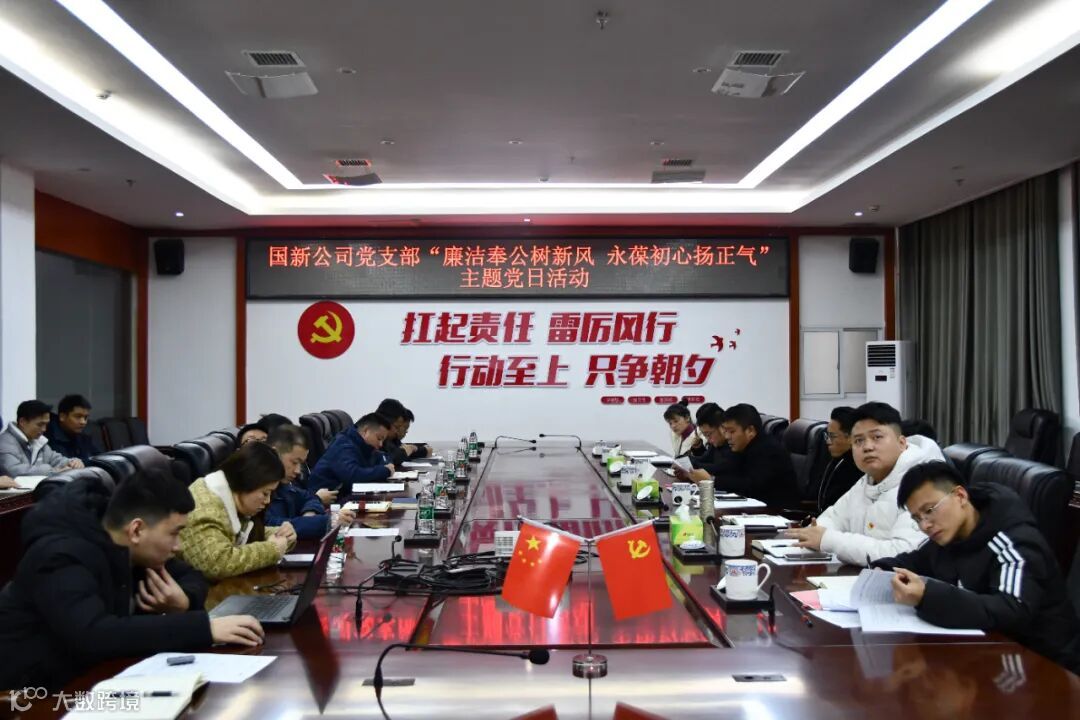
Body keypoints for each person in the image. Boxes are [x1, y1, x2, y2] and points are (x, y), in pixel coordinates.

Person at [0, 469, 265, 691]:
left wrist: (184, 600)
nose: (178, 546)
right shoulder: (60, 555)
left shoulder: (129, 544)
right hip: (35, 693)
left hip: (99, 676)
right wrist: (204, 628)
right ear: (137, 529)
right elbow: (94, 634)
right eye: (174, 534)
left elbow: (191, 574)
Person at [875, 462, 1080, 674]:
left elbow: (1012, 610)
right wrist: (881, 571)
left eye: (929, 511)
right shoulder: (950, 533)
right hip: (991, 652)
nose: (924, 525)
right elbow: (917, 560)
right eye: (917, 518)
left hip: (1043, 665)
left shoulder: (1014, 541)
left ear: (960, 496)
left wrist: (927, 597)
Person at [785, 401, 939, 565]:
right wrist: (814, 534)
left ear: (901, 443)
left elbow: (902, 553)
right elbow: (833, 518)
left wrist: (828, 540)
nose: (867, 447)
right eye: (858, 441)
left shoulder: (923, 484)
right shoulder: (867, 480)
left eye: (877, 437)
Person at [178, 441, 297, 580]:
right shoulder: (204, 508)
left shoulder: (229, 497)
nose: (267, 501)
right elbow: (218, 563)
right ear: (247, 481)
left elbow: (240, 534)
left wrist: (280, 535)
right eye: (265, 493)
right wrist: (272, 550)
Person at [698, 403, 798, 508]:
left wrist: (712, 480)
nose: (727, 436)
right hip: (754, 507)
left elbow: (751, 486)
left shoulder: (768, 449)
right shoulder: (742, 446)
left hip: (777, 511)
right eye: (725, 431)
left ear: (750, 430)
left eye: (731, 431)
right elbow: (727, 468)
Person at [265, 425, 356, 540]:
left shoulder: (283, 485)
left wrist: (310, 512)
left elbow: (310, 498)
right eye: (294, 462)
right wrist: (329, 520)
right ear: (274, 454)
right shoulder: (256, 487)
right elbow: (273, 525)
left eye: (301, 464)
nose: (298, 471)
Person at [308, 413, 395, 494]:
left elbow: (382, 456)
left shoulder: (365, 446)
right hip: (324, 499)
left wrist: (387, 465)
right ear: (366, 431)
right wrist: (385, 470)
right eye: (379, 438)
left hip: (345, 494)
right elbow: (352, 476)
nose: (381, 444)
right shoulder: (343, 445)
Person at [0, 400, 83, 477]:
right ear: (22, 422)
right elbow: (12, 471)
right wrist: (51, 471)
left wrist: (73, 463)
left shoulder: (38, 441)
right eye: (40, 424)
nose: (44, 429)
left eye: (46, 424)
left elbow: (55, 459)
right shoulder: (5, 442)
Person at [808, 406, 863, 513]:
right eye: (827, 435)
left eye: (832, 436)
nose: (828, 441)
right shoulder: (837, 460)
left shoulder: (858, 468)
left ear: (850, 437)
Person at [45, 394, 102, 463]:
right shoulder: (49, 438)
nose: (83, 422)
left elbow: (100, 459)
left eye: (85, 417)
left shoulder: (83, 436)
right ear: (62, 417)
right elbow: (68, 464)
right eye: (78, 416)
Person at [377, 399, 431, 465]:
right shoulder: (372, 439)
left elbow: (398, 452)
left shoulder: (388, 441)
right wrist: (407, 450)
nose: (396, 431)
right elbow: (391, 458)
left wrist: (412, 449)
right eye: (396, 427)